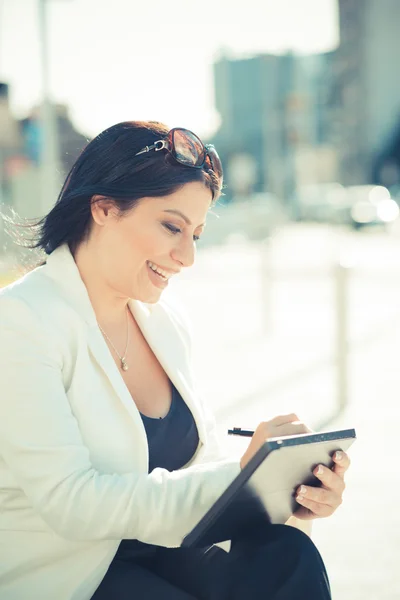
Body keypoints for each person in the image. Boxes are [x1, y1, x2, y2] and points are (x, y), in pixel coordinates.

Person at [0, 121, 350, 600]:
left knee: (287, 555)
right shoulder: (20, 322)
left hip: (166, 552)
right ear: (102, 207)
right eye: (171, 226)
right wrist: (236, 475)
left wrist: (280, 488)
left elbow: (197, 467)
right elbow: (71, 504)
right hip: (71, 575)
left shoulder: (161, 320)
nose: (186, 257)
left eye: (197, 235)